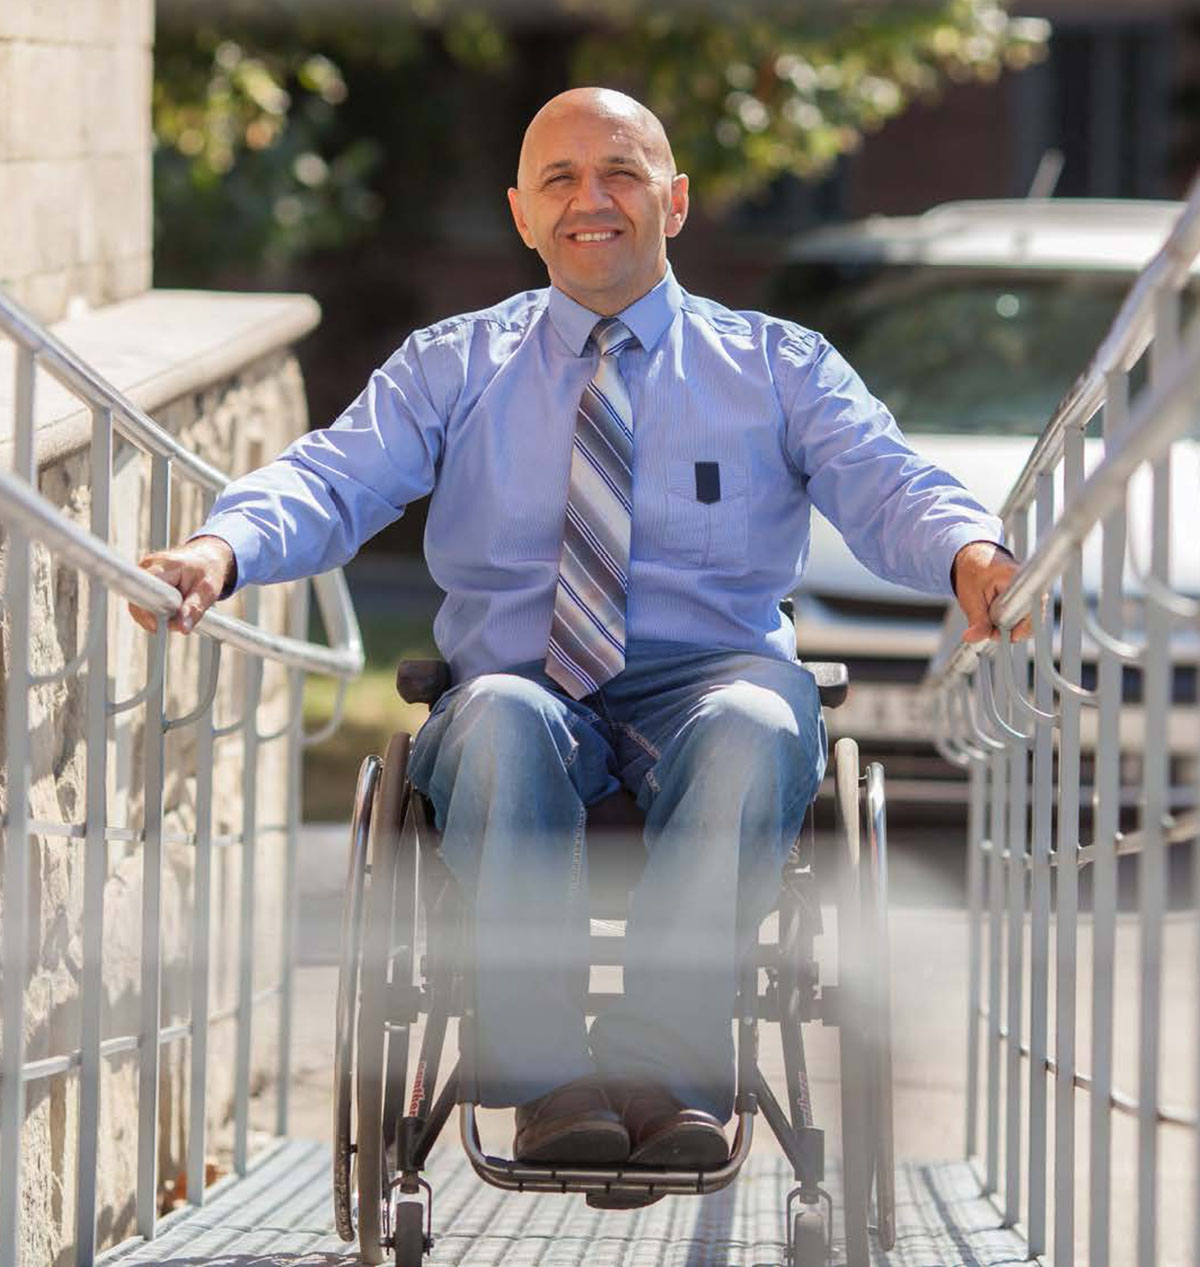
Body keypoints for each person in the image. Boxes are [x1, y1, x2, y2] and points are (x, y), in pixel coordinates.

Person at [130, 87, 1028, 1199]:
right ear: (519, 211)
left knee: (758, 718)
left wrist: (971, 554)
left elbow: (890, 482)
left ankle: (669, 1069)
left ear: (676, 199)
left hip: (711, 686)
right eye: (559, 178)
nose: (589, 200)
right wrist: (221, 548)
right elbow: (331, 477)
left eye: (620, 172)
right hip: (516, 685)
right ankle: (551, 1080)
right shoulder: (452, 365)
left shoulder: (777, 365)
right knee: (501, 721)